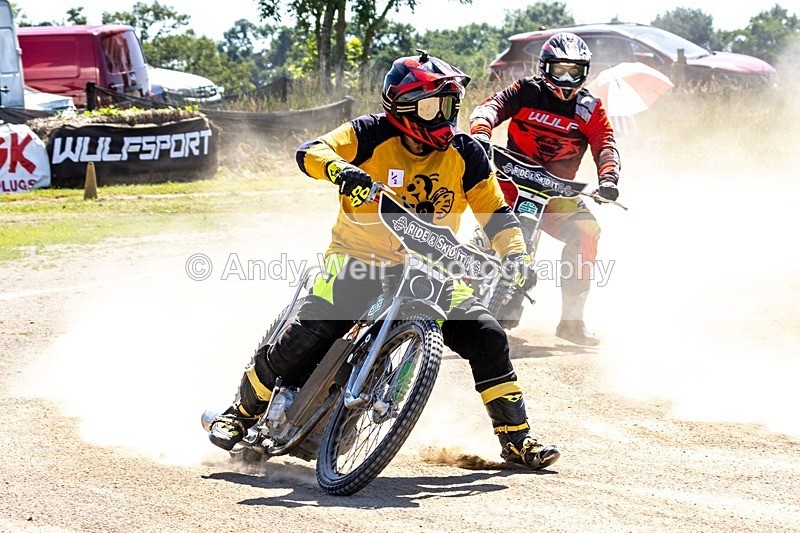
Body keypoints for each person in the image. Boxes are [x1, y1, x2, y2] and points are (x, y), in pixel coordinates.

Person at [208, 52, 560, 470]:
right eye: (432, 106)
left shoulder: (467, 153)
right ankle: (240, 413)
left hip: (433, 270)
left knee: (488, 336)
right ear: (403, 106)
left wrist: (516, 255)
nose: (444, 116)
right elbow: (311, 152)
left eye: (449, 105)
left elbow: (497, 213)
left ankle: (516, 439)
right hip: (356, 260)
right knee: (309, 335)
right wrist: (341, 171)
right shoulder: (370, 133)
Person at [470, 32, 621, 347]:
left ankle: (572, 322)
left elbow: (605, 144)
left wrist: (608, 179)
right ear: (545, 67)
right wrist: (482, 132)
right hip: (510, 181)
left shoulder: (589, 108)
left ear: (584, 72)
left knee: (588, 231)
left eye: (573, 71)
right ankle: (457, 289)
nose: (566, 78)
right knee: (481, 229)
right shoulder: (526, 91)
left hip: (556, 193)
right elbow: (491, 107)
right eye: (559, 69)